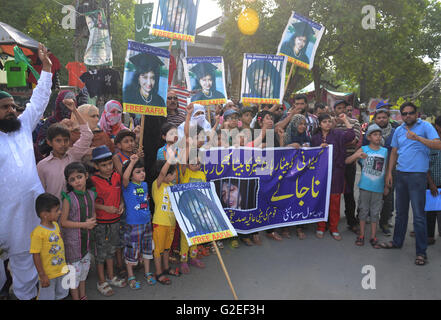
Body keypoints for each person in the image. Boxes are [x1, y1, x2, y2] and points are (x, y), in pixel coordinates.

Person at [0, 43, 52, 300]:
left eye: (12, 106)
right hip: (3, 213)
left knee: (25, 259)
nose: (12, 110)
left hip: (27, 211)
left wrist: (47, 68)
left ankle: (24, 296)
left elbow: (40, 99)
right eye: (5, 107)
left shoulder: (22, 126)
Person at [381, 102, 441, 266]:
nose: (407, 116)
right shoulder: (399, 130)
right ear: (401, 115)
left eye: (410, 113)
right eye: (404, 114)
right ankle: (397, 241)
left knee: (419, 216)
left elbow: (438, 144)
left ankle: (421, 253)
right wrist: (388, 174)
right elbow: (394, 151)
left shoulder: (426, 126)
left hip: (418, 176)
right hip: (401, 175)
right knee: (401, 213)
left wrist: (418, 138)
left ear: (417, 113)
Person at [37, 99, 93, 204]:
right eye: (58, 140)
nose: (63, 144)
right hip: (55, 213)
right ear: (49, 142)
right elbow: (41, 192)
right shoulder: (42, 166)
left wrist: (75, 111)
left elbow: (87, 135)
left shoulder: (74, 155)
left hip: (75, 213)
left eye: (66, 140)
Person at [311, 113, 355, 240]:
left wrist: (345, 120)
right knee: (321, 200)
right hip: (320, 173)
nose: (327, 124)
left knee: (334, 200)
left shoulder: (338, 134)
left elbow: (351, 135)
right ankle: (320, 226)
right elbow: (311, 155)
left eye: (329, 121)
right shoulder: (315, 138)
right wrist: (319, 148)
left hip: (336, 172)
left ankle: (334, 227)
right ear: (319, 124)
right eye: (324, 122)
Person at [91, 145, 127, 296]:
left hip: (115, 220)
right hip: (101, 222)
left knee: (112, 249)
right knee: (101, 252)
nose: (108, 167)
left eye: (109, 163)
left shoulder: (117, 176)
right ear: (96, 166)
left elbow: (120, 195)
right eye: (103, 165)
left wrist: (121, 205)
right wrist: (105, 208)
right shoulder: (92, 180)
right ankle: (101, 281)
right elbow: (90, 202)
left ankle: (111, 277)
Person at [346, 125, 388, 248]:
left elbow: (386, 170)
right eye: (375, 134)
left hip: (378, 188)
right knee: (363, 211)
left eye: (379, 135)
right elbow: (347, 161)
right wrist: (357, 156)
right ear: (369, 137)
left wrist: (386, 186)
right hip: (365, 186)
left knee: (375, 213)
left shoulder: (384, 151)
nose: (378, 137)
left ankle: (373, 236)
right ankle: (362, 235)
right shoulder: (363, 149)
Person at [59, 162, 97, 300]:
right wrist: (84, 224)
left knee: (83, 272)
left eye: (79, 177)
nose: (77, 181)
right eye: (72, 179)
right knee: (73, 274)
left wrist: (93, 220)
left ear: (86, 176)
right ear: (68, 182)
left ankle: (83, 295)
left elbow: (93, 212)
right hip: (73, 243)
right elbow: (63, 222)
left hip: (86, 242)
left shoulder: (91, 194)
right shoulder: (68, 198)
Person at [122, 154, 156, 289]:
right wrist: (132, 163)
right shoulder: (128, 186)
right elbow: (124, 178)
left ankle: (147, 272)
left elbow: (145, 202)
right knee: (132, 250)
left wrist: (149, 215)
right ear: (131, 175)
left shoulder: (145, 185)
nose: (142, 173)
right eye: (138, 172)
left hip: (146, 222)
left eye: (143, 171)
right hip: (133, 224)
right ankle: (131, 275)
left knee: (147, 247)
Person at [362, 108, 396, 236]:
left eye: (384, 117)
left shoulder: (394, 132)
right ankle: (368, 219)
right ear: (375, 119)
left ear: (388, 118)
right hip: (372, 169)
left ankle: (384, 223)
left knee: (387, 197)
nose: (382, 119)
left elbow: (396, 151)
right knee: (370, 195)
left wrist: (390, 171)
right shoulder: (370, 132)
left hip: (390, 168)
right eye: (379, 117)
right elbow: (363, 149)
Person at [30, 193, 69, 300]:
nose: (60, 212)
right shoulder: (38, 233)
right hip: (48, 275)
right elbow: (36, 255)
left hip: (61, 270)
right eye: (56, 210)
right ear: (45, 214)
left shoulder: (56, 225)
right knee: (47, 297)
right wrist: (42, 275)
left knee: (61, 294)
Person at [333, 99, 362, 234]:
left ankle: (351, 221)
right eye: (339, 108)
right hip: (334, 163)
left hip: (349, 161)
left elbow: (353, 140)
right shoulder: (330, 123)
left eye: (344, 108)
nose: (342, 110)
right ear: (335, 110)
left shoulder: (355, 122)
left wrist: (345, 124)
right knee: (333, 193)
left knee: (349, 192)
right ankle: (331, 220)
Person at [152, 159, 179, 285]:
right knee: (158, 250)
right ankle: (158, 273)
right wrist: (169, 161)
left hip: (171, 223)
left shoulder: (172, 186)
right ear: (166, 174)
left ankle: (166, 268)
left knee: (167, 248)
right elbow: (162, 174)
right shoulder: (157, 184)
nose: (175, 176)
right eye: (173, 173)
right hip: (160, 223)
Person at [426, 116, 441, 245]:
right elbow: (426, 165)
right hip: (432, 183)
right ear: (437, 126)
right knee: (430, 211)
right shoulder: (431, 143)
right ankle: (429, 235)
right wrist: (431, 184)